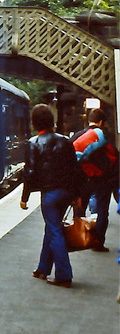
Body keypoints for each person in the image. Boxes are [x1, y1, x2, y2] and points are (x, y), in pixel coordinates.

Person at [20, 104, 79, 288]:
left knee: (55, 231)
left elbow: (29, 172)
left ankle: (64, 275)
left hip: (50, 195)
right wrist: (76, 195)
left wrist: (25, 197)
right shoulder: (65, 141)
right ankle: (43, 268)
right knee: (51, 229)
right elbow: (75, 170)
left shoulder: (33, 143)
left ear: (35, 123)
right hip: (66, 193)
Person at [71, 108, 117, 252]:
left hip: (83, 179)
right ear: (102, 122)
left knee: (80, 208)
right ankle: (98, 242)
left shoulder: (78, 136)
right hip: (103, 179)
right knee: (103, 210)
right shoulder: (104, 136)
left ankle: (79, 236)